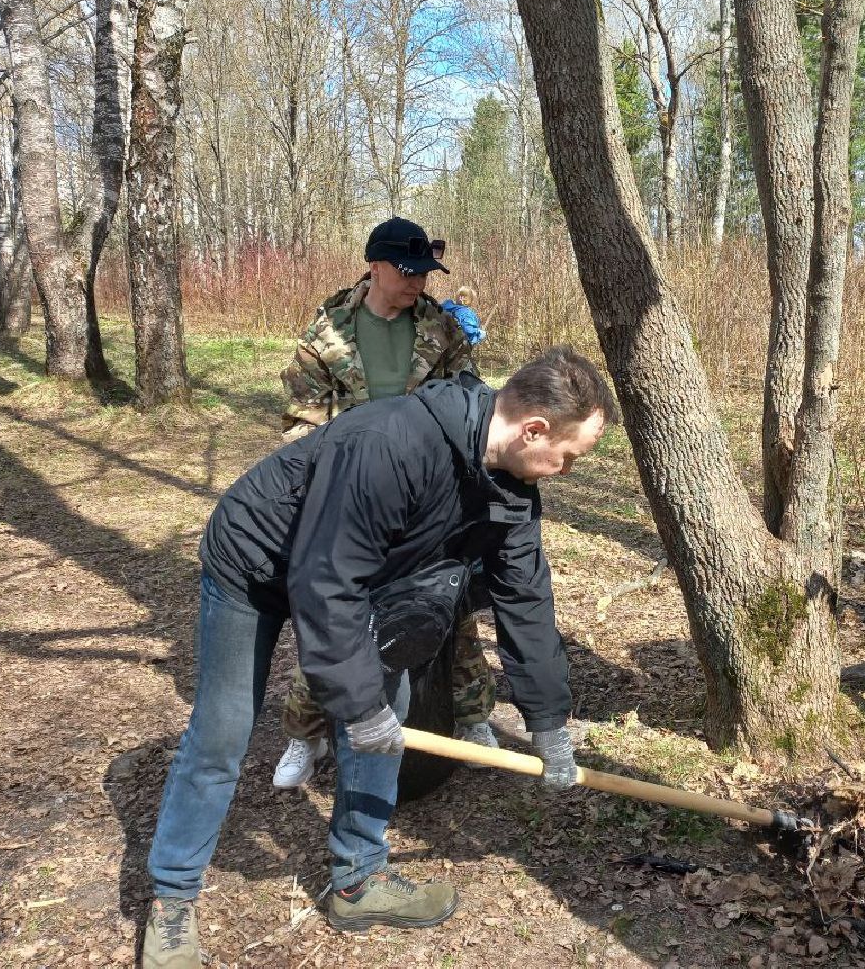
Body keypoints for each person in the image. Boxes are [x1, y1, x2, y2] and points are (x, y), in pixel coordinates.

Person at [141, 347, 618, 967]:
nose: (567, 470)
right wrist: (355, 702)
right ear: (534, 430)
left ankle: (358, 882)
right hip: (258, 564)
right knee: (223, 733)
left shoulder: (512, 488)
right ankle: (173, 902)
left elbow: (525, 598)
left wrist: (548, 722)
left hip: (366, 575)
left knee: (384, 719)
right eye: (570, 456)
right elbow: (324, 580)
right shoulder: (390, 443)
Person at [273, 217, 499, 790]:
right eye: (407, 272)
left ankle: (472, 718)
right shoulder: (327, 334)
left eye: (425, 273)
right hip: (349, 497)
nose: (417, 283)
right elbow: (300, 418)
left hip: (426, 496)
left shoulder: (441, 329)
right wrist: (331, 479)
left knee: (451, 605)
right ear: (374, 266)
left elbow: (467, 405)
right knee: (333, 616)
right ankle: (307, 733)